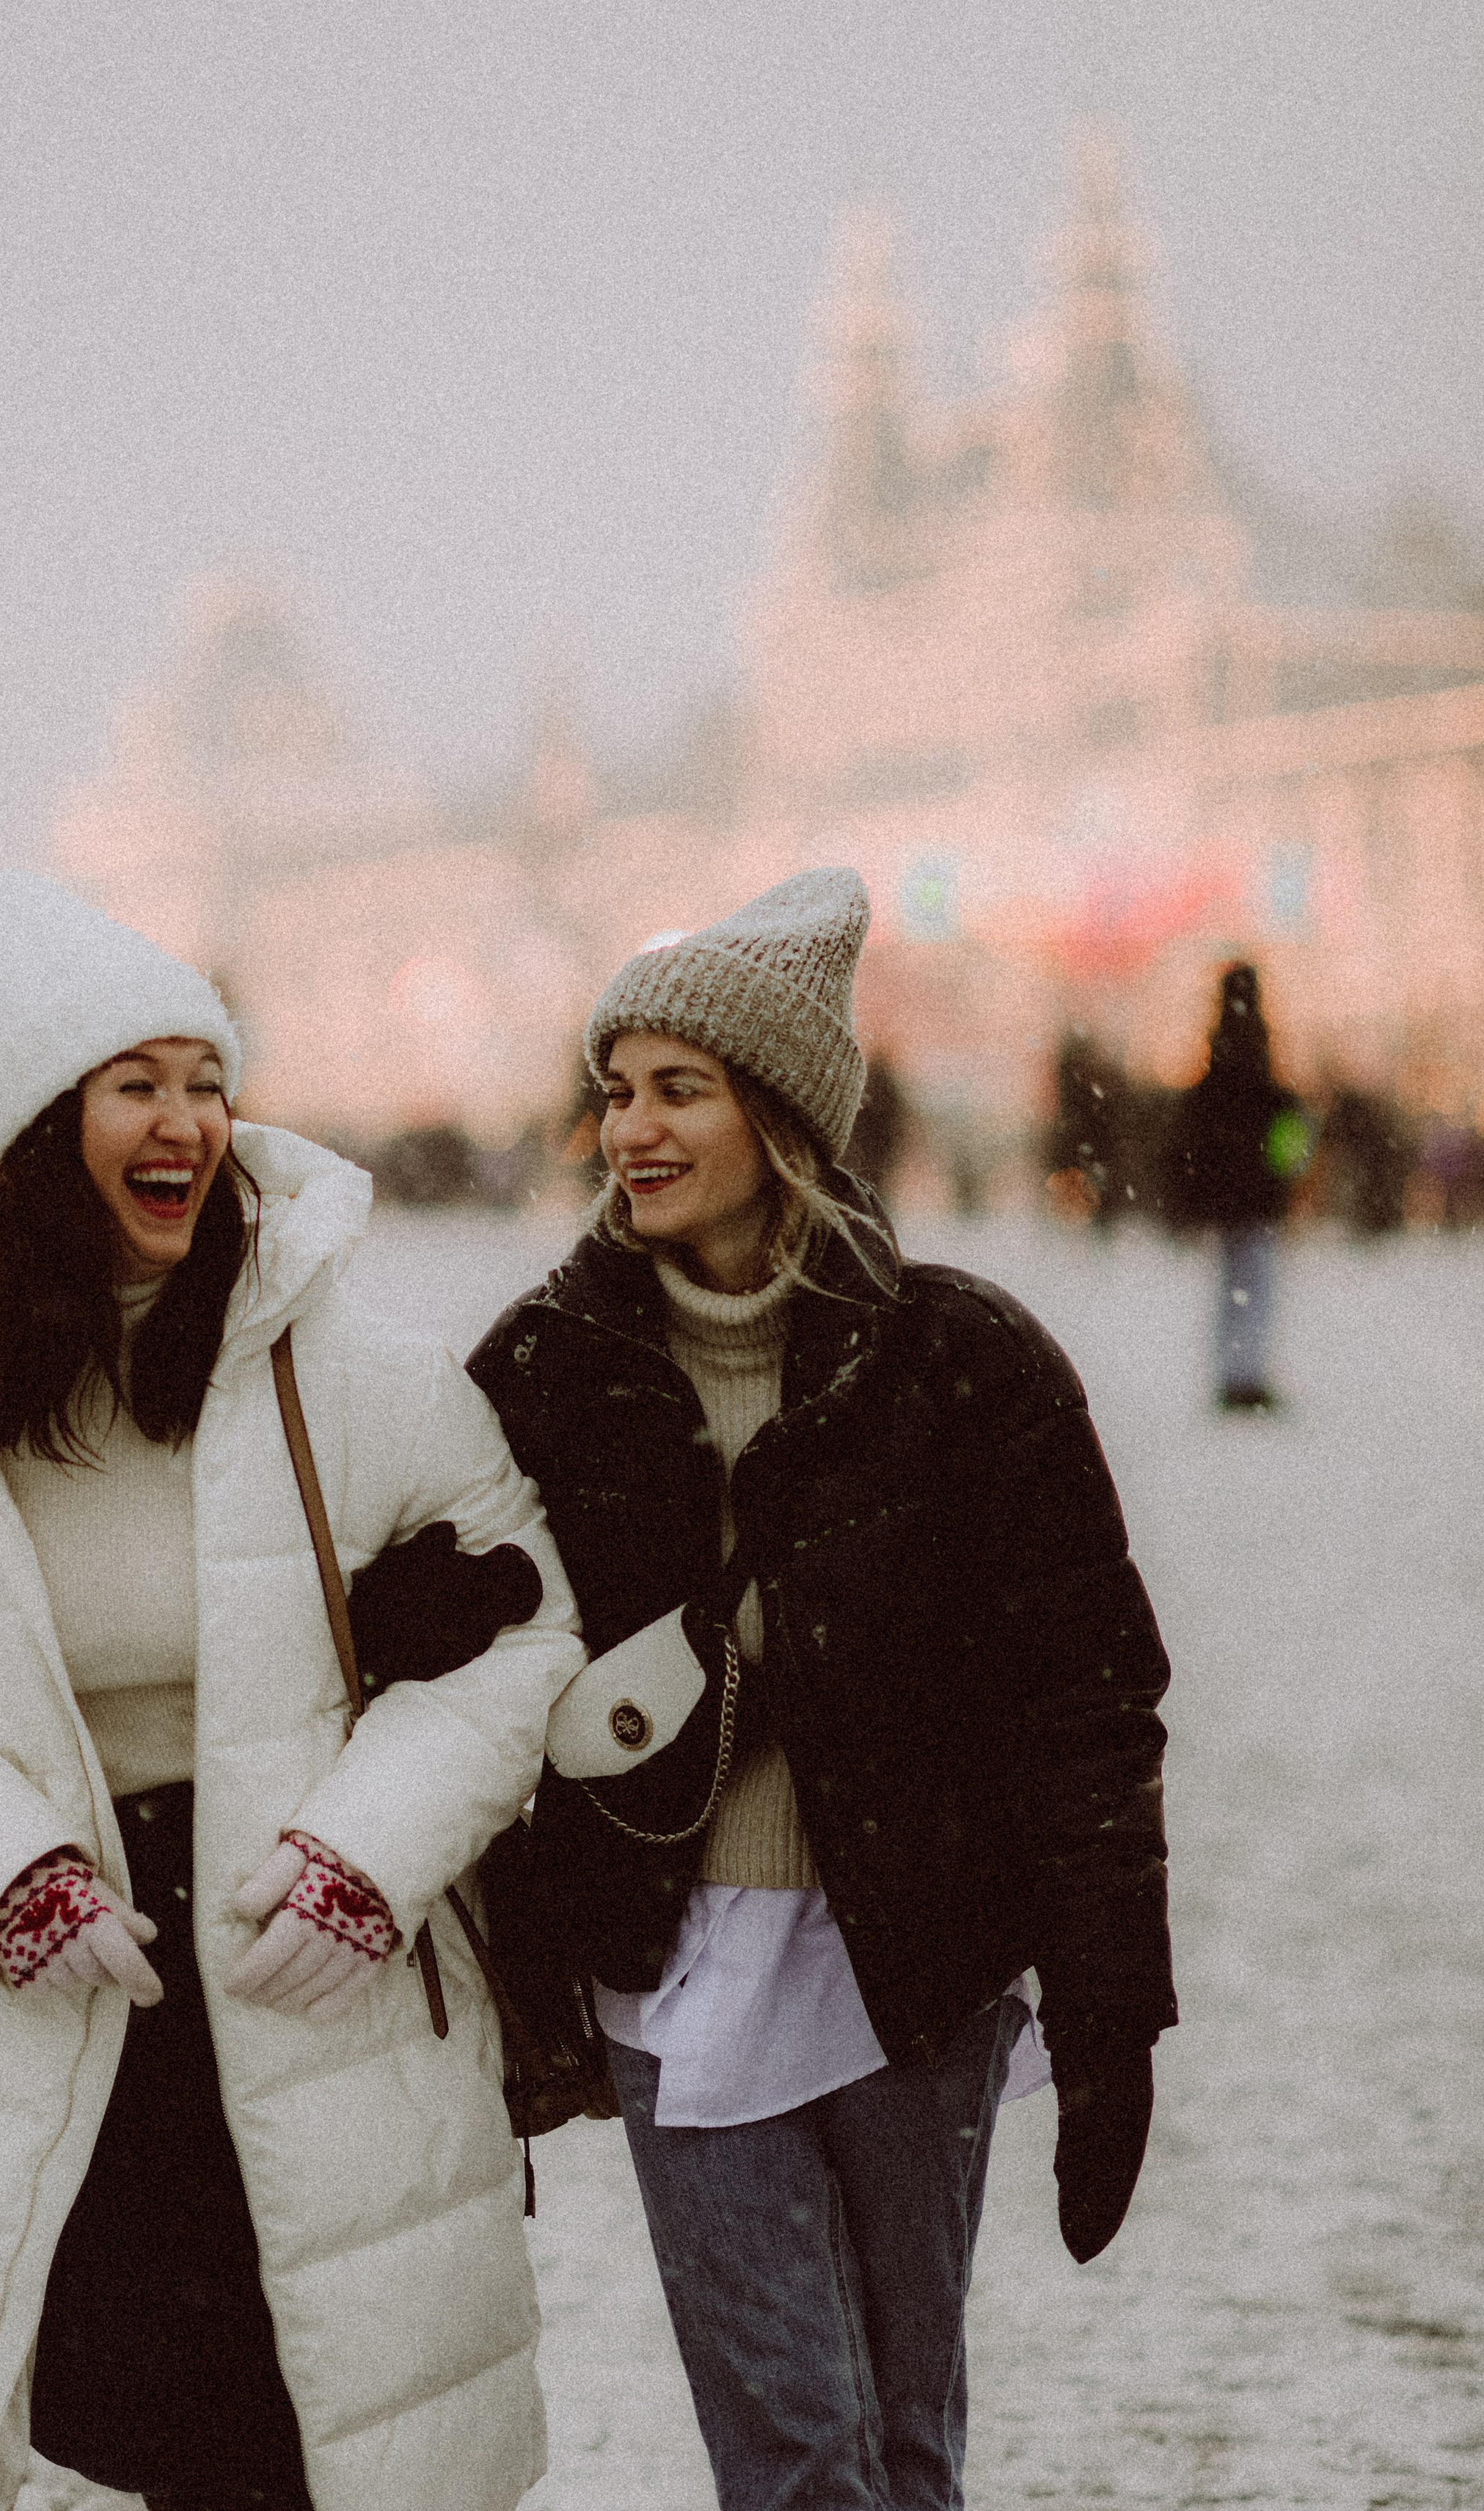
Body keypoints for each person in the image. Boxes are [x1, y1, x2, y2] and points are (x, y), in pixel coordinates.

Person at [0, 872, 583, 2511]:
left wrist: (367, 1857)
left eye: (209, 1083)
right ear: (37, 1126)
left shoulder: (347, 1366)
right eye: (138, 1084)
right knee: (127, 2405)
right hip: (62, 1989)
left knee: (305, 2422)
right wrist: (9, 1875)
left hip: (304, 1967)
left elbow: (525, 1633)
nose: (187, 1124)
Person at [469, 870, 1176, 2511]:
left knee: (905, 2446)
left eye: (678, 1090)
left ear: (778, 1116)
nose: (630, 1131)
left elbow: (1084, 1697)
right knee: (800, 2456)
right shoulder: (545, 1370)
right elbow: (454, 1665)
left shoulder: (961, 1361)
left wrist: (1107, 2008)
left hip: (913, 1963)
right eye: (615, 1091)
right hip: (670, 1970)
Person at [1160, 961, 1308, 1410]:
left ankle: (1232, 1374)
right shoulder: (1263, 1062)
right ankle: (1247, 1375)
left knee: (1232, 1287)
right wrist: (1282, 1174)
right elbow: (1288, 1139)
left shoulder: (1217, 1064)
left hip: (1226, 1196)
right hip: (1259, 1197)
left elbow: (1191, 1136)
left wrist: (1193, 1192)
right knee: (1254, 1286)